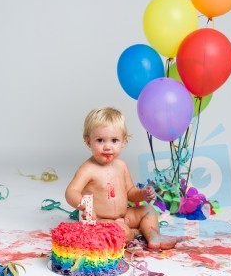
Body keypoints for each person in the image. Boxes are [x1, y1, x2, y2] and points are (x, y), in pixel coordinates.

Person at [65, 107, 181, 250]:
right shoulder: (88, 169)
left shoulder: (122, 166)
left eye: (114, 140)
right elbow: (71, 191)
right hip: (101, 220)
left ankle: (154, 237)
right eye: (100, 140)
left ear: (123, 141)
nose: (107, 147)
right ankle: (135, 233)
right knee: (122, 232)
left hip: (124, 214)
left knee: (149, 210)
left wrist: (142, 193)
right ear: (88, 141)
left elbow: (130, 192)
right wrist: (85, 205)